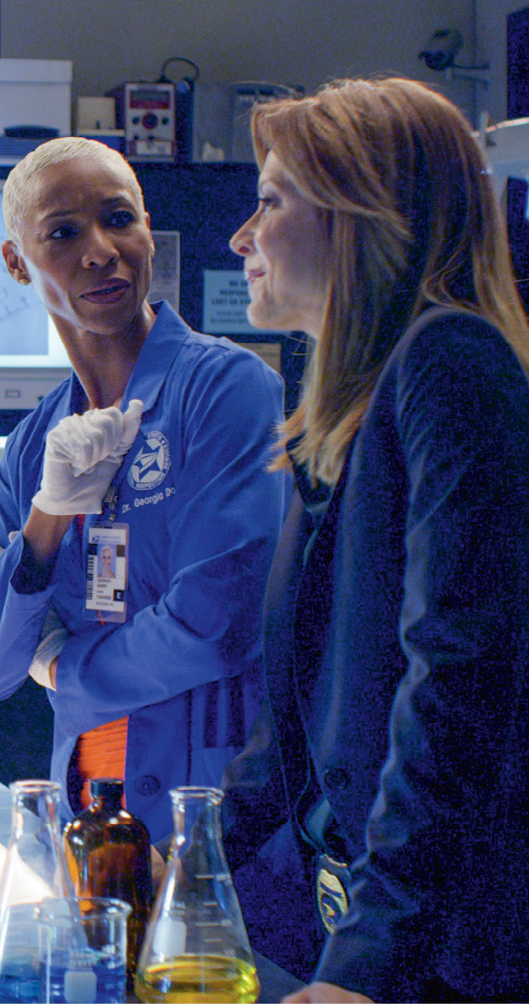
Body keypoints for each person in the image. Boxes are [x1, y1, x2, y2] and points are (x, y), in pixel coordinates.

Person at [220, 77, 529, 1003]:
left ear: (359, 217)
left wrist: (370, 957)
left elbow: (458, 681)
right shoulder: (344, 417)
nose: (242, 237)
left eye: (270, 202)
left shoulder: (450, 360)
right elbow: (298, 717)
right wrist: (188, 862)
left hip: (448, 949)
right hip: (353, 918)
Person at [0, 136, 289, 841]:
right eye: (64, 233)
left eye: (119, 219)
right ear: (17, 263)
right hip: (90, 815)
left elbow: (214, 623)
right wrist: (46, 518)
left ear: (148, 234)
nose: (100, 249)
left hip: (214, 815)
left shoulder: (224, 388)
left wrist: (61, 666)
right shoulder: (34, 443)